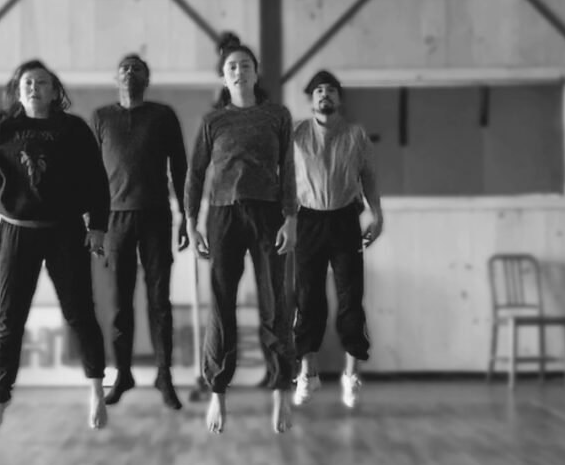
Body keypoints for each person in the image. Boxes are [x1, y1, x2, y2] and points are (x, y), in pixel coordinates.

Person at [0, 59, 111, 434]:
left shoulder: (74, 129)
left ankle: (97, 391)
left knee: (80, 313)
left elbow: (97, 181)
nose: (34, 88)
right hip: (16, 231)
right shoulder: (2, 130)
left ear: (54, 91)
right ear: (18, 91)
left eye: (41, 83)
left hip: (65, 231)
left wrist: (98, 228)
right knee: (9, 320)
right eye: (28, 83)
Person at [184, 32, 297, 435]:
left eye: (245, 65)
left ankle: (281, 389)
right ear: (223, 76)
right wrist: (190, 221)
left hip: (268, 214)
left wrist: (291, 217)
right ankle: (217, 390)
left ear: (255, 73)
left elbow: (289, 168)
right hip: (223, 216)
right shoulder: (213, 121)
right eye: (231, 66)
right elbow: (195, 173)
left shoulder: (277, 116)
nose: (238, 71)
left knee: (275, 304)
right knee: (221, 305)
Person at [92, 53, 189, 411]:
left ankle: (164, 376)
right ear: (116, 78)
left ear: (147, 79)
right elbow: (90, 172)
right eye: (125, 68)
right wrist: (93, 222)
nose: (130, 73)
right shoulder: (101, 117)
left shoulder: (163, 116)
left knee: (159, 301)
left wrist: (186, 216)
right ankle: (123, 375)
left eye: (137, 69)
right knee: (120, 303)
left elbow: (180, 167)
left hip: (156, 218)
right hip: (114, 220)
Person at [289, 70, 383, 409]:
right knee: (307, 299)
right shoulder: (295, 134)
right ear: (311, 99)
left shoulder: (355, 135)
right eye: (318, 91)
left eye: (330, 90)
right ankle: (307, 374)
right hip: (307, 220)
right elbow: (282, 179)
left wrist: (377, 214)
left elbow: (368, 177)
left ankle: (351, 375)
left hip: (345, 220)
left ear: (339, 98)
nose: (324, 95)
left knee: (350, 298)